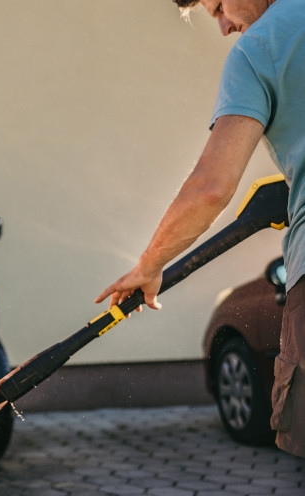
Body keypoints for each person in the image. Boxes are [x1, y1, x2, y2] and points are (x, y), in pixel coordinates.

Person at [95, 0, 304, 457]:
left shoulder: (259, 49)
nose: (226, 27)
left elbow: (211, 186)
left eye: (216, 9)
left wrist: (150, 265)